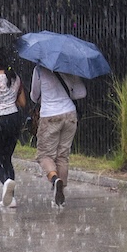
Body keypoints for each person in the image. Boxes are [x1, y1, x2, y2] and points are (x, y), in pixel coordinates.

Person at [30, 65, 86, 207]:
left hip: (50, 115)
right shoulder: (70, 67)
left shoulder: (39, 70)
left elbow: (34, 95)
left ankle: (55, 180)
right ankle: (61, 193)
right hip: (70, 114)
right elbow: (81, 93)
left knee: (44, 155)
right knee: (62, 155)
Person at [0, 46, 26, 208]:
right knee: (7, 159)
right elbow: (22, 103)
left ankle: (6, 181)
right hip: (14, 120)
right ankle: (11, 198)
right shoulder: (15, 78)